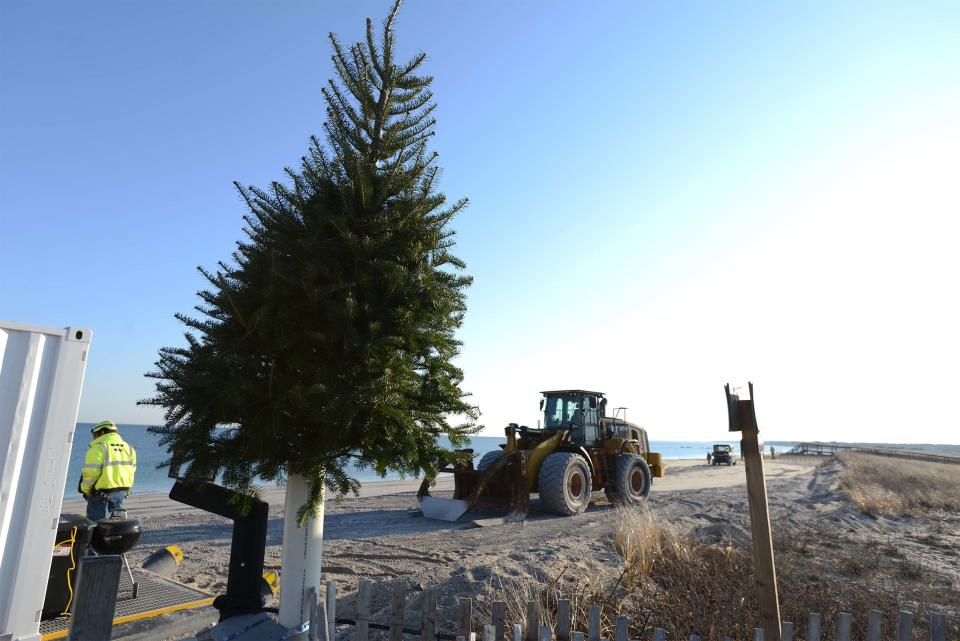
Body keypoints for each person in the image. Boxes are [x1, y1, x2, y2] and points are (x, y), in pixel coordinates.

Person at [80, 420, 137, 521]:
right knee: (117, 527)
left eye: (95, 434)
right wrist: (127, 492)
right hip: (121, 493)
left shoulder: (98, 448)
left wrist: (86, 490)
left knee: (97, 527)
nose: (94, 437)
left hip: (102, 494)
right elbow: (131, 472)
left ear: (102, 432)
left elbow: (91, 474)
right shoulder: (129, 448)